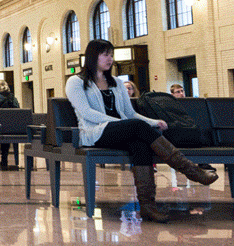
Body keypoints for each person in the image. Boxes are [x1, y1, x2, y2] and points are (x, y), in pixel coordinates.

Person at [64, 40, 218, 222]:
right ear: (92, 56)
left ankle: (147, 206)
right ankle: (192, 170)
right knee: (135, 128)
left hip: (122, 130)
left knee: (140, 144)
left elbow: (130, 113)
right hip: (94, 133)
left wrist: (154, 122)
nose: (110, 59)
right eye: (105, 54)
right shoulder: (76, 82)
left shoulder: (115, 83)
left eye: (111, 55)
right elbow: (87, 113)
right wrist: (122, 123)